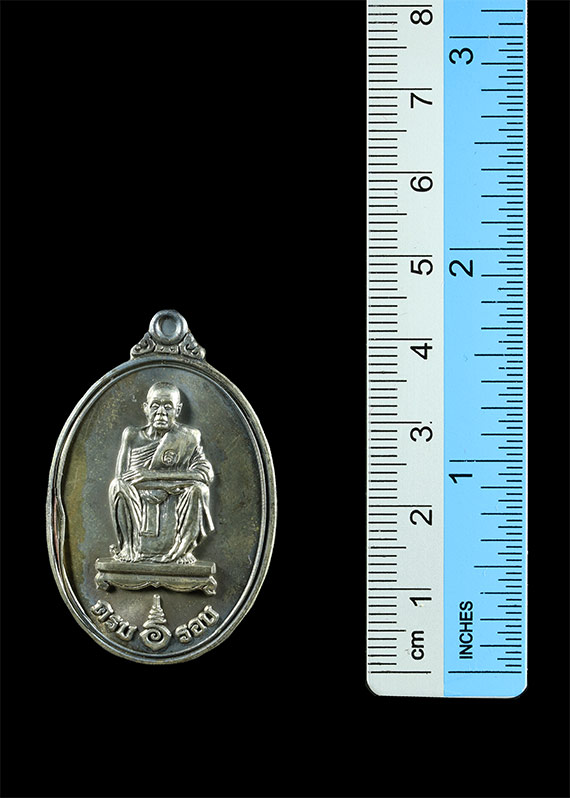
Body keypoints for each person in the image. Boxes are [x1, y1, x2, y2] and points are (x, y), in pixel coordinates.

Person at [109, 382, 214, 563]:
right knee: (117, 486)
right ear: (146, 408)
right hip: (137, 498)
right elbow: (122, 476)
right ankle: (129, 547)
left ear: (178, 410)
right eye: (155, 406)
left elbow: (205, 474)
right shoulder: (132, 436)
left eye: (168, 407)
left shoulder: (188, 437)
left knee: (199, 489)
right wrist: (151, 488)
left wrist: (154, 477)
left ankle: (182, 551)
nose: (161, 413)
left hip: (174, 497)